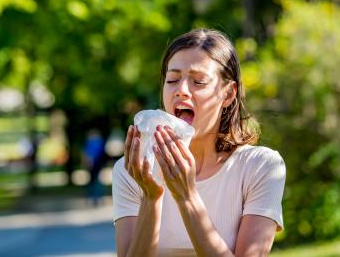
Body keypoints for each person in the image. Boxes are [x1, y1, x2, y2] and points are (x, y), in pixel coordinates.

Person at [112, 29, 286, 257]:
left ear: (229, 94)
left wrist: (186, 196)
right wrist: (150, 197)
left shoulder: (261, 167)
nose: (181, 91)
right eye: (172, 80)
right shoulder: (132, 172)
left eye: (198, 81)